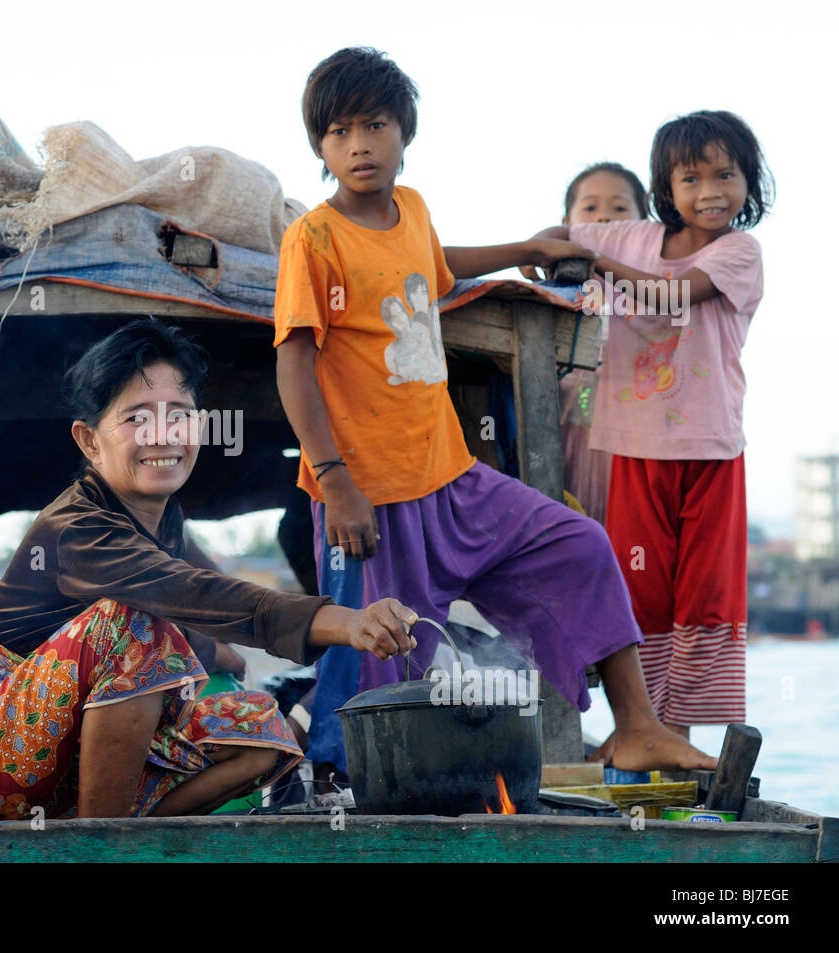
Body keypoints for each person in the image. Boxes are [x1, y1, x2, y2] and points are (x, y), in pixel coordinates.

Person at [273, 47, 718, 775]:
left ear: (404, 133)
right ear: (320, 145)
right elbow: (292, 363)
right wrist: (334, 479)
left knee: (579, 547)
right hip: (369, 498)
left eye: (375, 125)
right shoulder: (312, 238)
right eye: (339, 132)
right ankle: (351, 797)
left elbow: (436, 264)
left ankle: (637, 724)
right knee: (381, 666)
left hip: (450, 475)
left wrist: (525, 248)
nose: (358, 144)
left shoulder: (410, 210)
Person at [0, 319, 420, 822]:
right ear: (89, 440)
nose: (163, 434)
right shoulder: (78, 527)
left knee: (265, 729)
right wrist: (349, 623)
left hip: (44, 766)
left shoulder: (163, 521)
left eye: (179, 413)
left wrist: (229, 653)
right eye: (137, 417)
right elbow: (205, 597)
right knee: (132, 624)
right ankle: (103, 844)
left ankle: (123, 831)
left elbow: (214, 600)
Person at [534, 112, 771, 750]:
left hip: (711, 454)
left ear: (750, 180)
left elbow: (672, 297)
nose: (711, 190)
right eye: (691, 178)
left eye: (726, 174)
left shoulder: (738, 252)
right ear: (667, 187)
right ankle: (632, 732)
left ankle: (681, 735)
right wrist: (546, 255)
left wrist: (593, 263)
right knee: (639, 589)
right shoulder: (633, 238)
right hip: (635, 455)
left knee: (704, 596)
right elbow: (558, 234)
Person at [553, 162, 648, 523]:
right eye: (591, 208)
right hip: (570, 437)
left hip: (636, 442)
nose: (605, 218)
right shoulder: (557, 292)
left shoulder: (654, 293)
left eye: (619, 208)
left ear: (647, 222)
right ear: (567, 222)